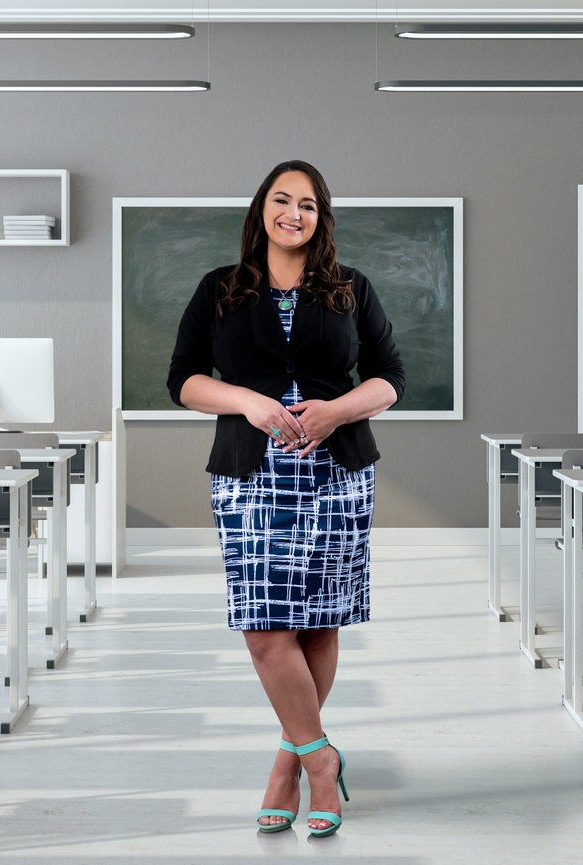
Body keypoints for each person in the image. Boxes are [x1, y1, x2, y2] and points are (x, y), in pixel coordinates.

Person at [167, 160, 404, 837]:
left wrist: (333, 413)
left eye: (307, 203)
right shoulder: (220, 289)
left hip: (337, 467)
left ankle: (287, 761)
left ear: (321, 216)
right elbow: (183, 379)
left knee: (317, 620)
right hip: (249, 472)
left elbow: (391, 378)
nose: (293, 213)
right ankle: (321, 757)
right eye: (282, 199)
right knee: (266, 628)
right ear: (261, 209)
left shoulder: (351, 289)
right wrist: (246, 400)